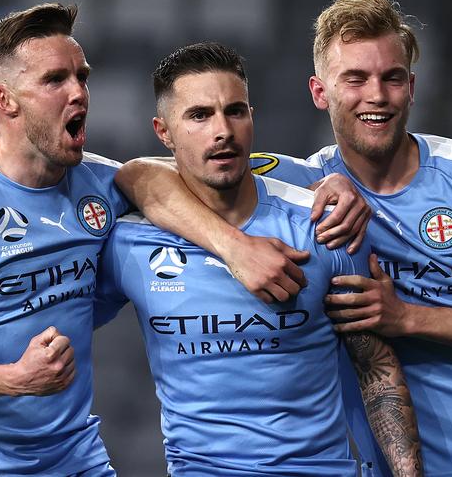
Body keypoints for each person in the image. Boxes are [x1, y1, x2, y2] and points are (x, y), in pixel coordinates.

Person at [0, 3, 356, 476]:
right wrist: (13, 380)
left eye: (83, 76)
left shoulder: (98, 181)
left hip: (77, 456)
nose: (79, 92)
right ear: (5, 100)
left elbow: (185, 171)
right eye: (56, 80)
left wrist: (322, 179)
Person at [245, 0, 452, 476]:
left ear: (412, 87)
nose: (377, 96)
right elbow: (156, 173)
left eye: (392, 78)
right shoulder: (302, 185)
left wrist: (407, 317)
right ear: (319, 92)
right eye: (355, 79)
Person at [95, 41, 423, 477]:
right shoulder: (127, 243)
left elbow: (375, 367)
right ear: (163, 131)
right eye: (199, 115)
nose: (223, 131)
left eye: (235, 111)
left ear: (252, 117)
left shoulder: (326, 228)